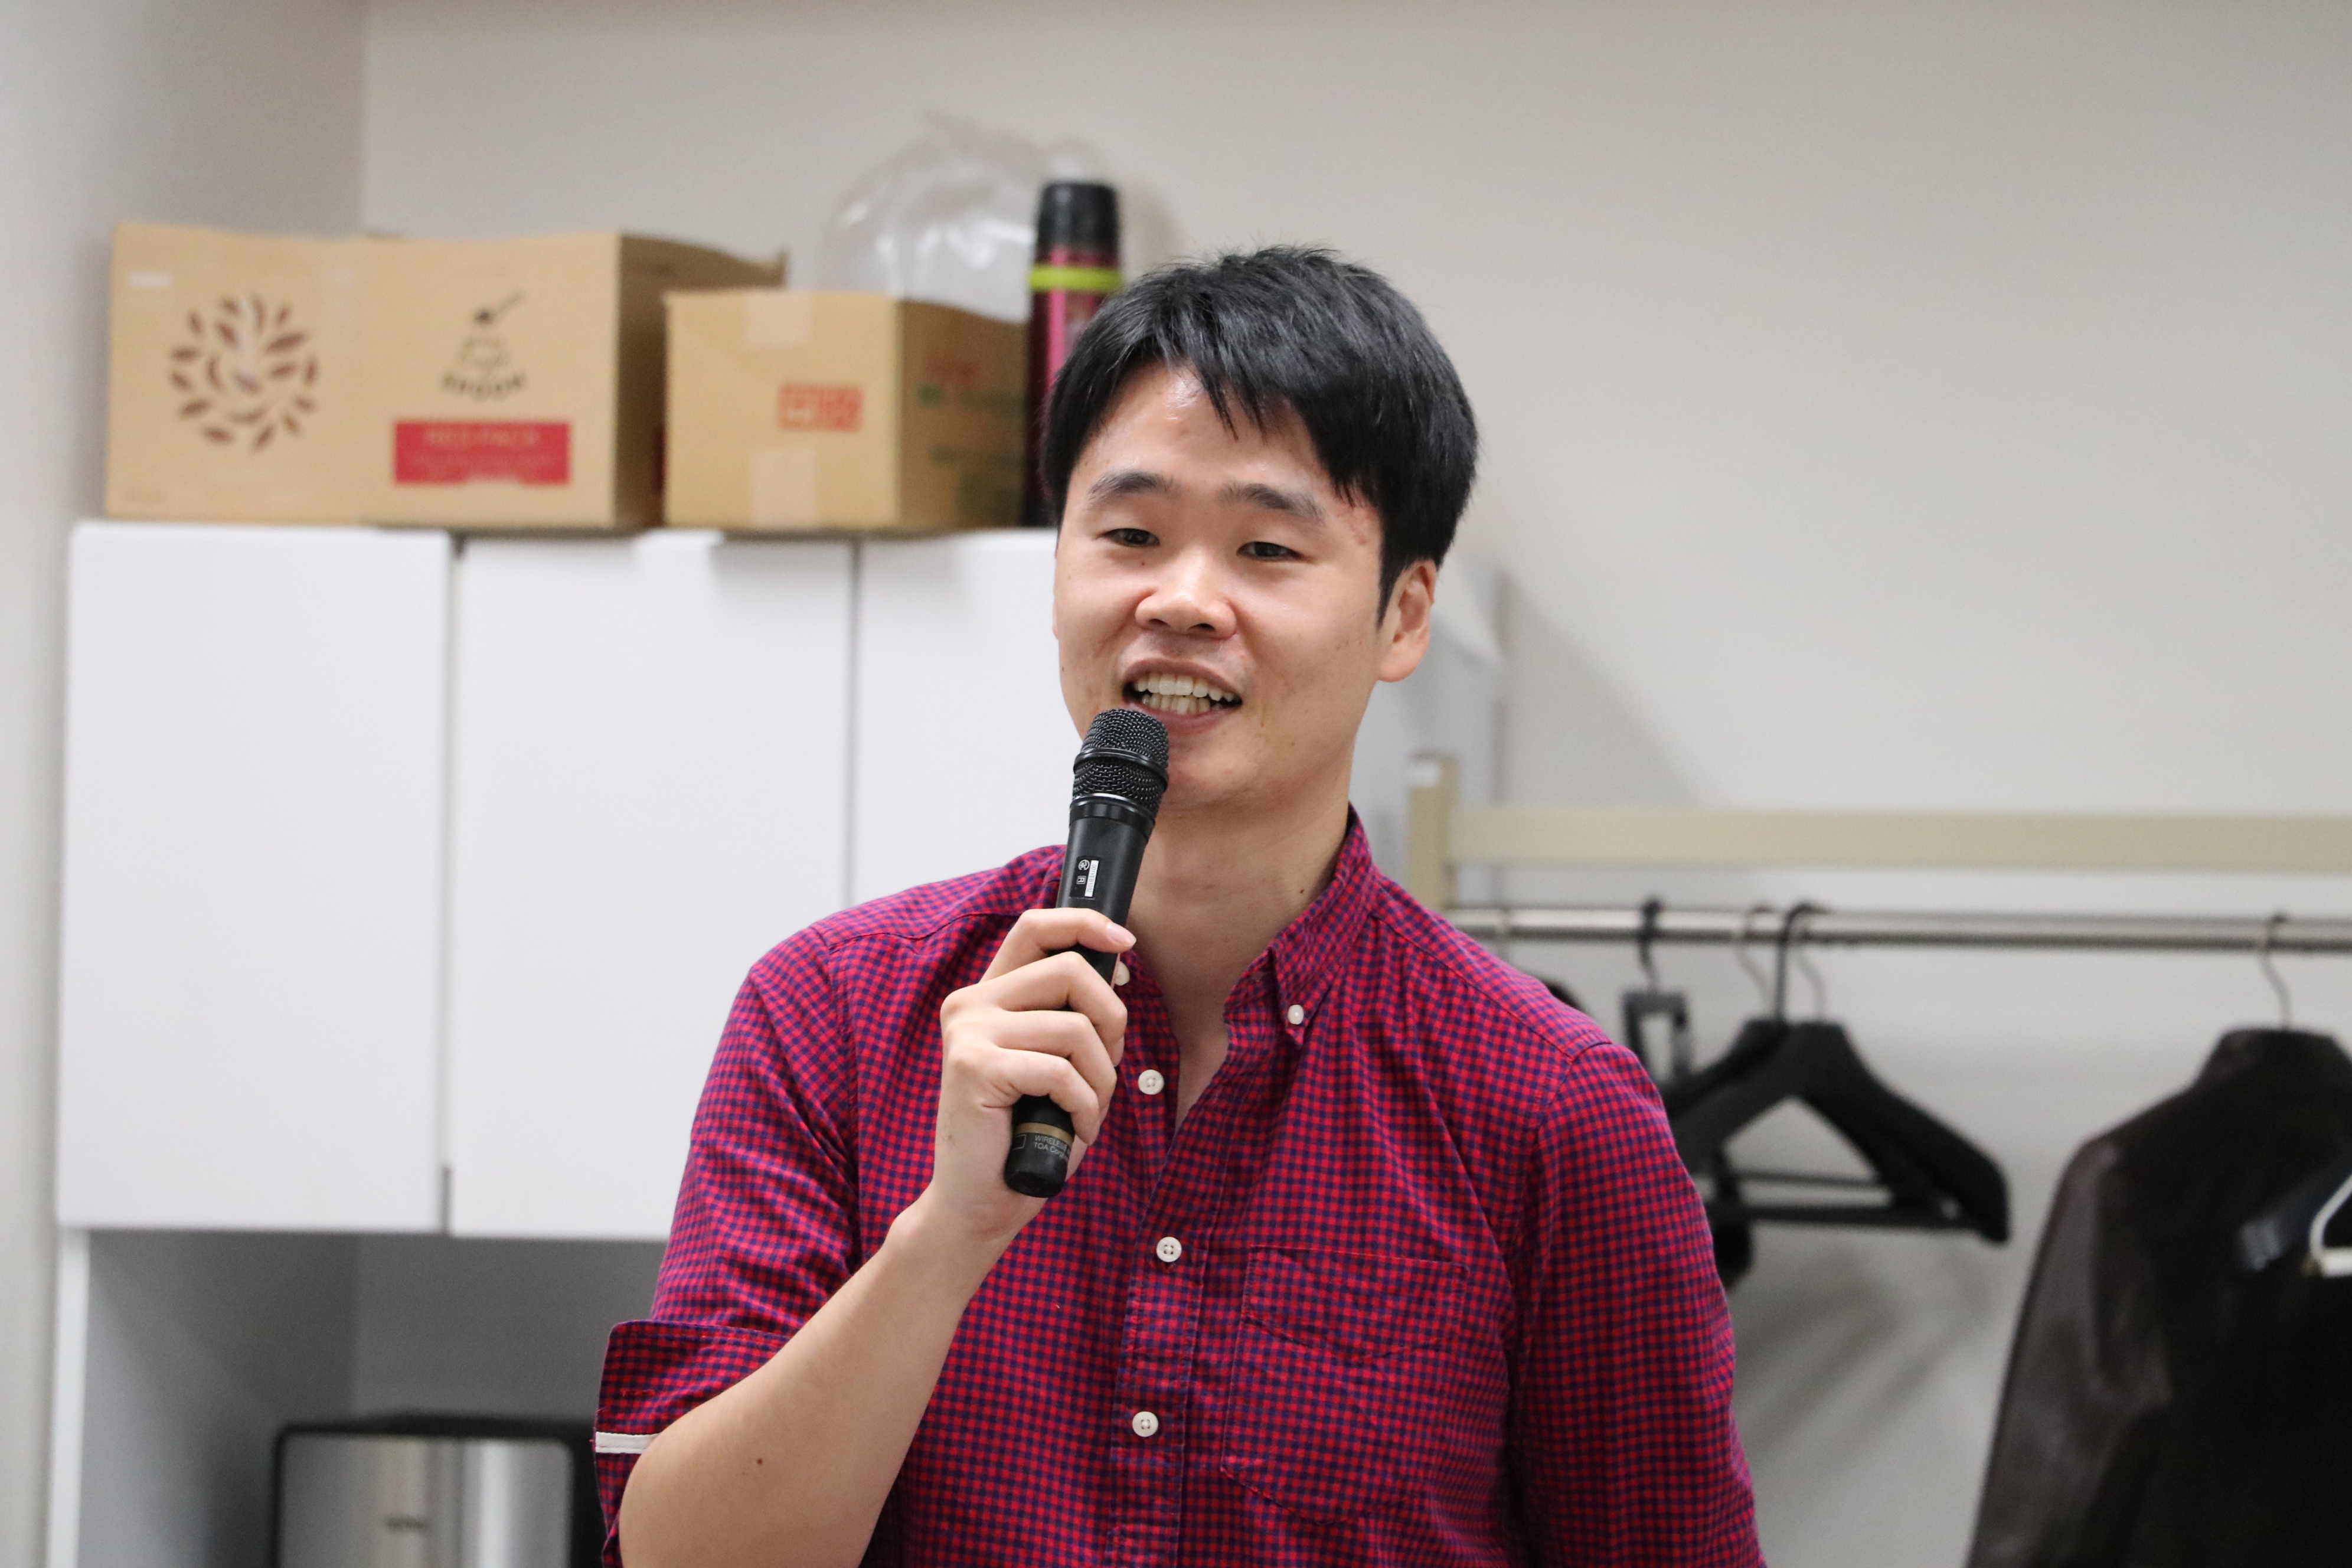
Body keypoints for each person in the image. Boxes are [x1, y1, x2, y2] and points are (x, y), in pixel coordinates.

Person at [597, 246, 1760, 1567]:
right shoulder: (835, 1014)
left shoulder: (1551, 1112)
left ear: (1403, 615)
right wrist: (946, 1235)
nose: (1182, 600)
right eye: (1130, 535)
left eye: (1267, 547)